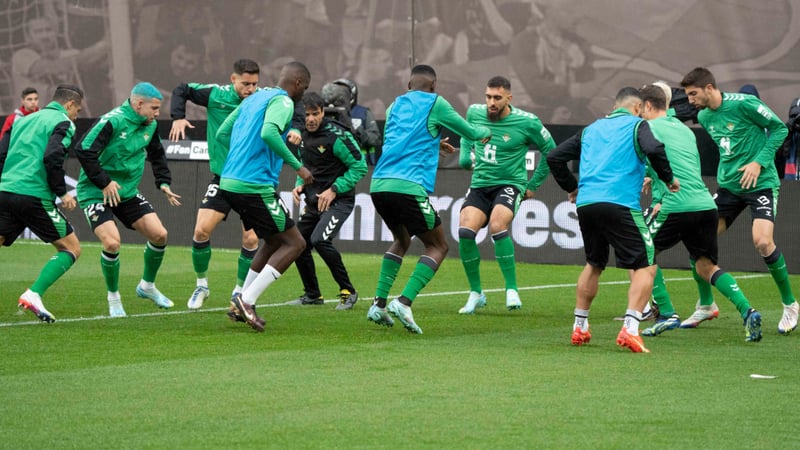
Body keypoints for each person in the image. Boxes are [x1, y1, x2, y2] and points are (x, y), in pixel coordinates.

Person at [546, 87, 679, 353]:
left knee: (594, 263)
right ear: (638, 107)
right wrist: (668, 178)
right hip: (620, 203)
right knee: (647, 265)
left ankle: (580, 326)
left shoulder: (591, 129)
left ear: (615, 106)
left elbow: (554, 157)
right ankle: (631, 328)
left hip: (587, 204)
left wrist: (571, 187)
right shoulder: (638, 125)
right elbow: (654, 148)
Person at [367, 64, 491, 334]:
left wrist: (434, 143)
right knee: (438, 245)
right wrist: (485, 133)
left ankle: (378, 304)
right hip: (408, 187)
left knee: (401, 240)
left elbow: (400, 142)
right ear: (434, 85)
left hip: (378, 184)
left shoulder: (394, 106)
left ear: (409, 85)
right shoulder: (437, 103)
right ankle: (404, 302)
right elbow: (470, 132)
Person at [636, 84, 762, 342]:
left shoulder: (645, 129)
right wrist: (652, 176)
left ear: (648, 106)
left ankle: (666, 313)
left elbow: (656, 160)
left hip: (676, 204)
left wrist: (658, 195)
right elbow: (680, 164)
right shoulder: (685, 130)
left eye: (640, 108)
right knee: (706, 265)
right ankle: (748, 311)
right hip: (705, 205)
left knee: (642, 251)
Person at [680, 67, 798, 335]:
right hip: (729, 188)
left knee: (763, 242)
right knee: (698, 239)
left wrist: (758, 162)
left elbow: (779, 129)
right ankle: (706, 305)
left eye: (693, 94)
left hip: (761, 183)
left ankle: (790, 304)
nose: (690, 100)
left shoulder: (745, 104)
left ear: (709, 88)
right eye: (688, 95)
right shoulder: (704, 116)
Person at [218, 61, 313, 332]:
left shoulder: (253, 98)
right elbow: (269, 132)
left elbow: (223, 133)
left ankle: (239, 301)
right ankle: (246, 300)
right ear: (297, 83)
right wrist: (298, 167)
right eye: (305, 88)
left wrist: (240, 157)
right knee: (296, 243)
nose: (303, 94)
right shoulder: (283, 101)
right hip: (254, 184)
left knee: (273, 241)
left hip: (230, 182)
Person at [75, 82, 182, 318]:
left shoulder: (150, 125)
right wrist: (104, 182)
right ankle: (114, 298)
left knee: (160, 235)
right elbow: (84, 149)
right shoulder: (112, 121)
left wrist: (163, 182)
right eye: (154, 108)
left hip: (127, 192)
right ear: (139, 104)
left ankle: (147, 286)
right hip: (96, 191)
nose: (158, 113)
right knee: (112, 243)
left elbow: (157, 154)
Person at [457, 75, 556, 314]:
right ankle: (476, 293)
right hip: (480, 184)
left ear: (509, 98)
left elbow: (551, 151)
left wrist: (533, 184)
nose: (491, 102)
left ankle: (511, 289)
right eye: (488, 97)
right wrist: (464, 155)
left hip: (510, 184)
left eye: (497, 98)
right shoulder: (474, 112)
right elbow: (466, 133)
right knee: (465, 231)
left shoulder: (528, 122)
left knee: (497, 224)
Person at [168, 58, 262, 310]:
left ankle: (239, 291)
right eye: (246, 84)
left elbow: (292, 106)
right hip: (222, 178)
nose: (251, 89)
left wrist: (295, 129)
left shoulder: (262, 99)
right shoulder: (216, 95)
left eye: (254, 84)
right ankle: (202, 285)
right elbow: (182, 89)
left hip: (251, 181)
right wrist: (178, 117)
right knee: (201, 231)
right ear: (233, 79)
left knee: (251, 239)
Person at [0, 84, 84, 323]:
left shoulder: (22, 120)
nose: (76, 115)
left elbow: (1, 154)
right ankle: (33, 294)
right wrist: (62, 192)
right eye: (77, 110)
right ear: (69, 104)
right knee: (71, 248)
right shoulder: (63, 122)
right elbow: (52, 156)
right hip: (33, 194)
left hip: (6, 190)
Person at [289, 91, 367, 309]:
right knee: (297, 244)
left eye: (315, 113)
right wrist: (299, 184)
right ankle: (313, 294)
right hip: (314, 203)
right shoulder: (300, 135)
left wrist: (334, 189)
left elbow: (359, 166)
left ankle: (348, 291)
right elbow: (303, 165)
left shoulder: (337, 135)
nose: (311, 119)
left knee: (320, 240)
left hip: (338, 201)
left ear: (323, 112)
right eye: (307, 114)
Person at [11, 16, 108, 116]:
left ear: (56, 33)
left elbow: (91, 60)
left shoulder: (68, 54)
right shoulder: (22, 56)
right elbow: (53, 67)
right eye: (38, 31)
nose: (44, 36)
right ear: (28, 36)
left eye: (48, 30)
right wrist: (102, 46)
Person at [331, 78, 382, 165]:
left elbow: (376, 139)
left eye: (343, 92)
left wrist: (361, 134)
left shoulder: (363, 113)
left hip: (360, 164)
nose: (339, 95)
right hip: (334, 165)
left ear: (351, 95)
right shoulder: (327, 112)